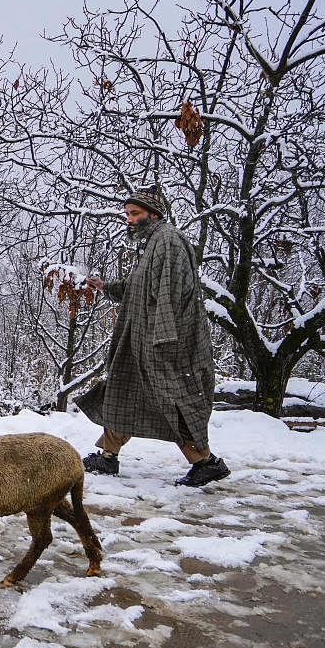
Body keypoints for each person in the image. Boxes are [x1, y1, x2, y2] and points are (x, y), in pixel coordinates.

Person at [76, 186, 230, 487]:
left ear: (153, 215)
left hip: (162, 342)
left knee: (169, 399)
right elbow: (139, 286)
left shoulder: (168, 241)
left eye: (135, 214)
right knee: (123, 391)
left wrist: (161, 340)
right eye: (128, 215)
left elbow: (170, 294)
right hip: (142, 339)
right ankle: (108, 456)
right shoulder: (153, 244)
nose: (129, 220)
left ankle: (205, 462)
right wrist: (106, 287)